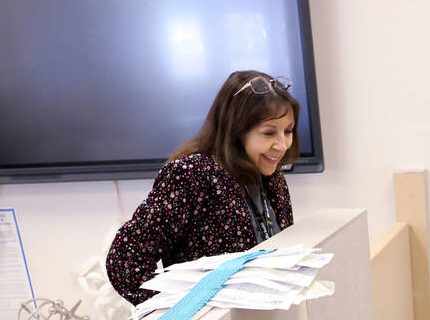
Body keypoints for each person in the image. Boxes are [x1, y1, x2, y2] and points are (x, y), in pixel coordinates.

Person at [107, 70, 298, 305]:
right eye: (269, 133)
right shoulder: (192, 173)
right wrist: (178, 310)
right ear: (236, 129)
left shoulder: (271, 175)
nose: (282, 145)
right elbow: (125, 262)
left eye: (288, 131)